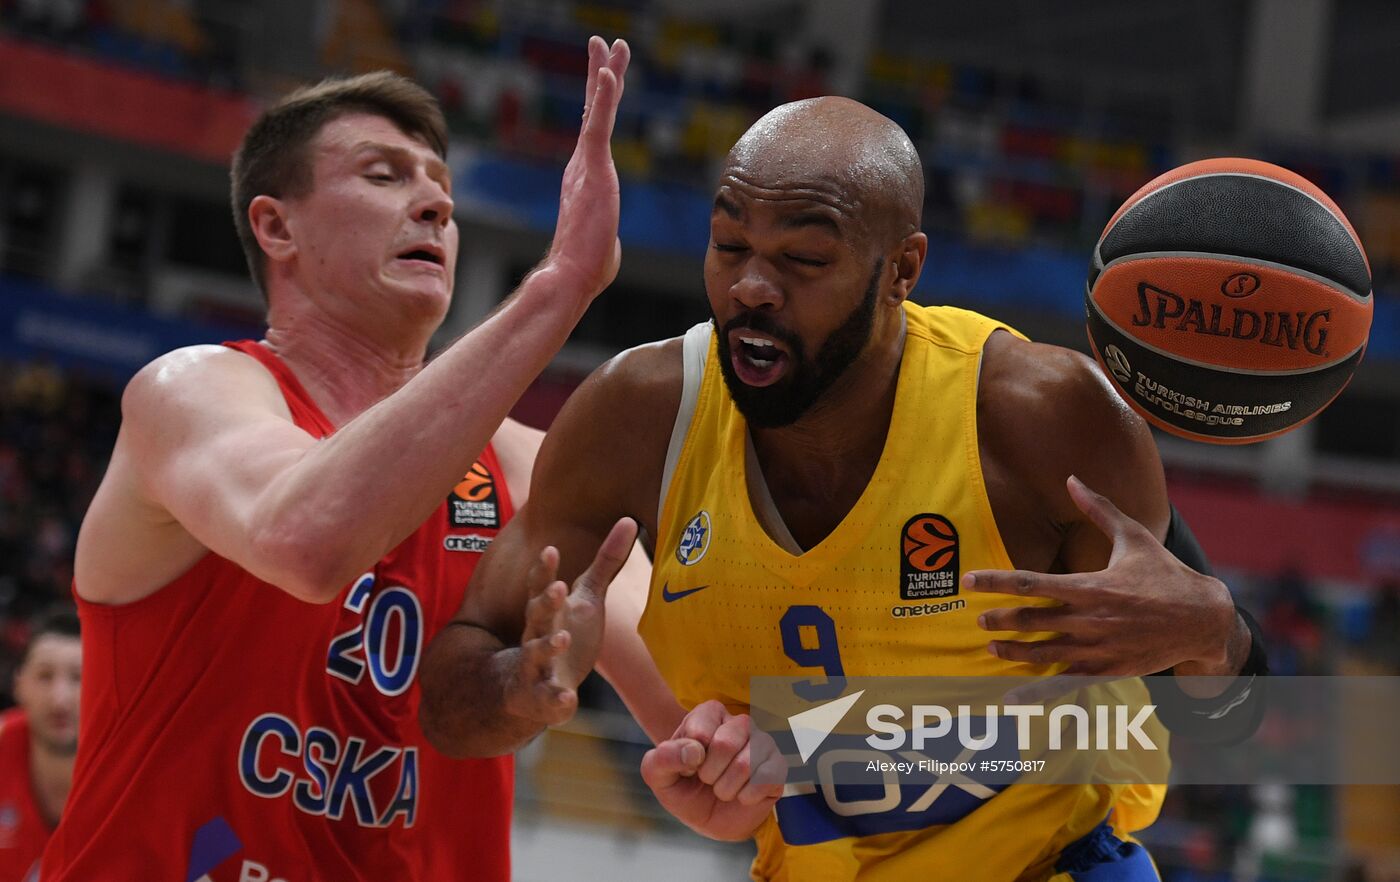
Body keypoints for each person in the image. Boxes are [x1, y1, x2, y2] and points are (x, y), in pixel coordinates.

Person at [419, 96, 1267, 880]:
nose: (752, 286)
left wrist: (1216, 637)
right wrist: (521, 691)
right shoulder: (638, 415)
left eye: (805, 258)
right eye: (729, 246)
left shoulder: (1041, 417)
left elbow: (1231, 726)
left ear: (902, 269)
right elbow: (451, 699)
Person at [41, 36, 671, 881]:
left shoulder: (527, 468)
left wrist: (898, 739)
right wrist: (557, 289)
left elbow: (706, 712)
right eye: (385, 176)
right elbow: (309, 542)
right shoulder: (191, 394)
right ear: (276, 225)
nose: (435, 207)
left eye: (442, 189)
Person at [0, 608, 80, 882]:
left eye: (78, 678)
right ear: (19, 685)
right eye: (45, 676)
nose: (60, 700)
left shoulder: (142, 768)